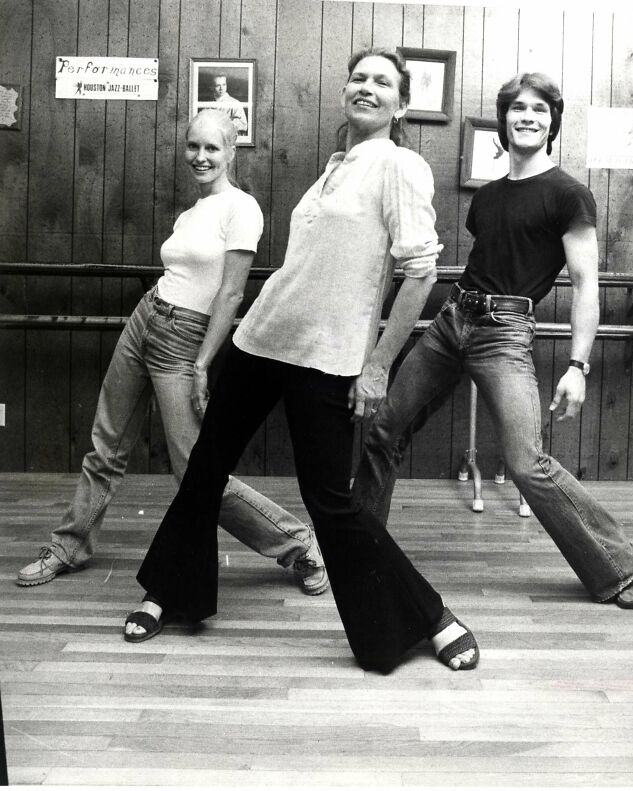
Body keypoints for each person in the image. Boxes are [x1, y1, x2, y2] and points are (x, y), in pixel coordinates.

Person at [124, 47, 479, 674]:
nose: (366, 87)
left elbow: (420, 274)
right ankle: (169, 594)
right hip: (260, 340)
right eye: (358, 77)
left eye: (383, 82)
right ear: (345, 90)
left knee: (330, 501)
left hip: (327, 357)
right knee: (204, 470)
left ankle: (431, 617)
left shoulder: (400, 165)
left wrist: (376, 365)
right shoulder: (335, 166)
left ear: (401, 105)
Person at [352, 72, 633, 610]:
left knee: (526, 461)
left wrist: (577, 366)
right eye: (517, 108)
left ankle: (617, 567)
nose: (527, 117)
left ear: (552, 124)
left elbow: (586, 285)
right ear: (503, 120)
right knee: (384, 429)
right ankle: (358, 550)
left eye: (539, 110)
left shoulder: (569, 195)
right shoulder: (486, 198)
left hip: (504, 335)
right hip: (451, 322)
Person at [17, 109, 327, 598]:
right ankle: (67, 546)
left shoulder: (242, 208)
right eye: (193, 146)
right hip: (146, 318)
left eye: (212, 148)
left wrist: (202, 363)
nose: (200, 157)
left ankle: (297, 543)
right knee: (105, 444)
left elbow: (230, 294)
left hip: (184, 338)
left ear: (231, 151)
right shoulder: (191, 212)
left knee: (194, 469)